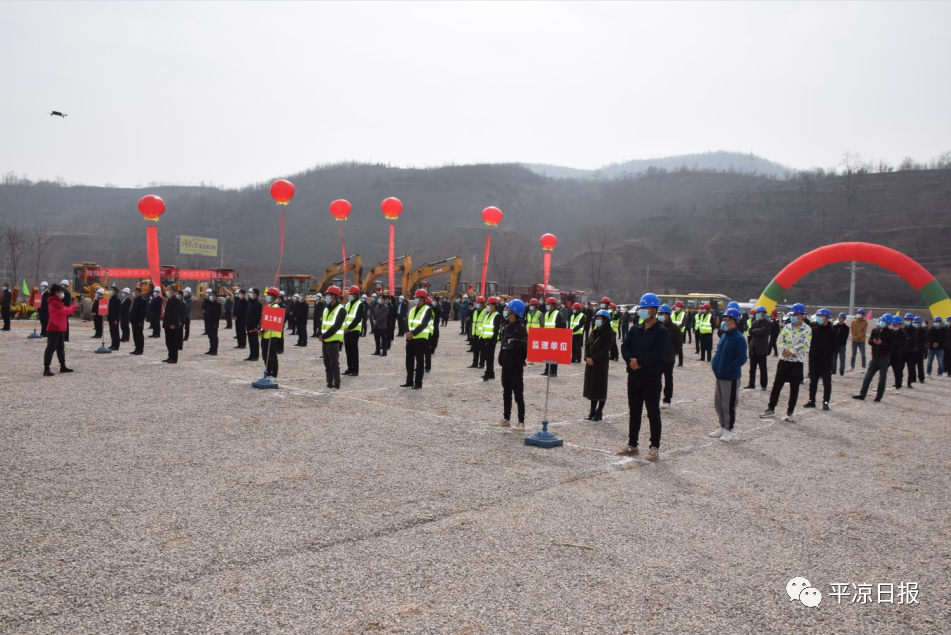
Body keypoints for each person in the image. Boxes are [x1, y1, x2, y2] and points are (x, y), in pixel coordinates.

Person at [616, 293, 669, 461]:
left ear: (653, 310)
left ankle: (654, 447)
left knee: (653, 412)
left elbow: (658, 354)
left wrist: (639, 362)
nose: (642, 312)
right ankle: (632, 444)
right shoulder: (636, 329)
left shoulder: (661, 332)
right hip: (634, 377)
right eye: (641, 309)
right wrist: (630, 360)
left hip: (651, 378)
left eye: (645, 309)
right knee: (634, 411)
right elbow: (625, 346)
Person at [760, 303, 811, 422]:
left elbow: (805, 344)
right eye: (792, 314)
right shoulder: (787, 327)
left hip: (796, 362)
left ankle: (790, 412)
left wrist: (791, 351)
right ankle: (770, 408)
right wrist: (783, 350)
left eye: (795, 314)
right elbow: (779, 339)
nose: (793, 316)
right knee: (777, 385)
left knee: (794, 388)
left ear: (801, 316)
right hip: (784, 361)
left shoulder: (807, 329)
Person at [709, 307, 748, 442]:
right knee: (718, 403)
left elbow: (742, 358)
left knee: (729, 404)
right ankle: (721, 426)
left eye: (727, 320)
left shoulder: (739, 338)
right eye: (723, 319)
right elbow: (718, 352)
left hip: (730, 377)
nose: (724, 322)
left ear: (734, 322)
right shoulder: (724, 335)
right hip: (719, 376)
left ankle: (728, 429)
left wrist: (729, 368)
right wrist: (714, 363)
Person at [498, 299, 528, 428]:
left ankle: (521, 421)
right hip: (505, 363)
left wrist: (520, 360)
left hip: (515, 365)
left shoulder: (521, 328)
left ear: (514, 312)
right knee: (506, 392)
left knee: (518, 394)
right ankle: (506, 418)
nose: (505, 311)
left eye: (507, 309)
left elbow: (524, 348)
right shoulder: (504, 325)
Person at [852, 313, 894, 402]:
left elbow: (891, 347)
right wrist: (873, 342)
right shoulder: (875, 330)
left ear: (888, 323)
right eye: (881, 320)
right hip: (875, 357)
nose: (882, 322)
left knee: (882, 379)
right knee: (867, 377)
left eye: (884, 321)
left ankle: (878, 397)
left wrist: (882, 343)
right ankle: (862, 394)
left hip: (884, 358)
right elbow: (870, 341)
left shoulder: (891, 333)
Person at [583, 309, 612, 421]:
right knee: (592, 388)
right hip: (590, 363)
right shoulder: (593, 331)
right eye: (597, 318)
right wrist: (586, 357)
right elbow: (586, 345)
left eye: (599, 318)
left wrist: (593, 359)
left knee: (600, 387)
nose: (597, 320)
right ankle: (592, 412)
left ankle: (599, 412)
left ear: (605, 320)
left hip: (600, 364)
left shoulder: (609, 333)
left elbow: (605, 350)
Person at [42, 284, 76, 376]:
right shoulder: (54, 302)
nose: (62, 293)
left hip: (59, 327)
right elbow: (64, 311)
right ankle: (46, 368)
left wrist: (71, 306)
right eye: (61, 292)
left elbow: (64, 309)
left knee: (60, 348)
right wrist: (73, 306)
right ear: (56, 292)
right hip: (54, 327)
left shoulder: (58, 301)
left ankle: (63, 366)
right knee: (51, 348)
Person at [401, 289, 432, 390]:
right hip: (410, 339)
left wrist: (412, 333)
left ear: (423, 299)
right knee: (409, 361)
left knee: (419, 362)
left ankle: (418, 383)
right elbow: (407, 321)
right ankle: (409, 381)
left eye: (417, 298)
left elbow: (423, 324)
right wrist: (407, 332)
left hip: (420, 339)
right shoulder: (413, 309)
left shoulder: (427, 309)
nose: (415, 299)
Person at [805, 308, 835, 410]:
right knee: (813, 382)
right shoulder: (813, 330)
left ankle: (826, 402)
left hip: (826, 362)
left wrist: (828, 353)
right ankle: (811, 400)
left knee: (827, 383)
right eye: (818, 316)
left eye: (821, 316)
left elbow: (835, 347)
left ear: (826, 318)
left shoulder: (832, 331)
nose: (819, 318)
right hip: (814, 361)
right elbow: (809, 344)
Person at [318, 286, 346, 389]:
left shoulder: (341, 310)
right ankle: (329, 383)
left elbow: (336, 326)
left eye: (329, 294)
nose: (327, 296)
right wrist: (319, 333)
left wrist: (324, 336)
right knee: (327, 364)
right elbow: (322, 323)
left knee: (334, 364)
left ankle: (336, 384)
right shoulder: (326, 309)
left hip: (334, 340)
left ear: (334, 296)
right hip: (325, 340)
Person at [657, 304, 682, 409]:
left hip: (668, 359)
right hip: (657, 358)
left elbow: (679, 344)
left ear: (668, 315)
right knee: (656, 380)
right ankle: (655, 398)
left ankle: (667, 399)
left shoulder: (674, 328)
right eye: (660, 314)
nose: (661, 316)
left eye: (663, 314)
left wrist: (672, 353)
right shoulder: (657, 326)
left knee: (668, 379)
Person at [745, 306, 771, 391]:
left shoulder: (767, 323)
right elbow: (750, 331)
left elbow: (764, 331)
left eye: (760, 313)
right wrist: (757, 331)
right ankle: (751, 383)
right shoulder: (754, 322)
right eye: (757, 313)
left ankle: (764, 385)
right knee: (752, 368)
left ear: (763, 314)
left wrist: (756, 331)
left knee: (763, 368)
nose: (758, 315)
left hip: (762, 349)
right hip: (753, 348)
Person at [260, 287, 284, 378]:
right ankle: (268, 371)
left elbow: (272, 324)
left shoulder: (276, 307)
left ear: (274, 296)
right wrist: (260, 329)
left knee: (272, 356)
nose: (267, 296)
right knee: (264, 355)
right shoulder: (268, 306)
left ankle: (274, 374)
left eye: (269, 295)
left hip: (272, 335)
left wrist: (263, 330)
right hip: (265, 335)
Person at [342, 286, 365, 377]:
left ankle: (355, 370)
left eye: (351, 294)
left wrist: (350, 328)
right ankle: (349, 368)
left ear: (356, 294)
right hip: (346, 331)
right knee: (348, 350)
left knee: (354, 350)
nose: (350, 296)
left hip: (354, 330)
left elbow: (358, 319)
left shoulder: (360, 304)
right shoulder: (348, 304)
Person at [541, 296, 566, 377]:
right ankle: (547, 370)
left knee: (554, 356)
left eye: (548, 304)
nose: (547, 306)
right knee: (547, 355)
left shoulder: (558, 314)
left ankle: (554, 371)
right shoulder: (546, 314)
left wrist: (558, 337)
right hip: (547, 338)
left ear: (553, 305)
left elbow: (561, 327)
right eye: (547, 304)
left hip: (555, 338)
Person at [480, 296, 502, 381]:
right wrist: (481, 337)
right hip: (484, 339)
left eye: (489, 304)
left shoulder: (497, 316)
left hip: (490, 341)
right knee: (486, 357)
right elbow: (484, 327)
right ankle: (489, 373)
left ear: (494, 305)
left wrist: (492, 340)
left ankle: (489, 374)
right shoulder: (488, 314)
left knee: (489, 358)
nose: (488, 306)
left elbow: (496, 330)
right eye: (487, 304)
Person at [162, 286, 182, 364]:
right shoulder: (169, 299)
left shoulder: (176, 300)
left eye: (168, 290)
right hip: (167, 324)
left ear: (173, 291)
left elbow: (175, 313)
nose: (166, 291)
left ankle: (174, 358)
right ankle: (170, 356)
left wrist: (173, 323)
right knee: (168, 341)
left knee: (173, 342)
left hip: (172, 325)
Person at [888, 314, 908, 391]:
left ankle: (898, 386)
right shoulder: (890, 331)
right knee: (883, 370)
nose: (894, 325)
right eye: (893, 324)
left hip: (897, 354)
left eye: (895, 324)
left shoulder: (903, 333)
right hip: (888, 354)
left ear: (900, 324)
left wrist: (894, 342)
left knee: (897, 371)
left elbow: (903, 344)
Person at [468, 296, 486, 368]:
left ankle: (481, 364)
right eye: (476, 303)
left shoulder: (485, 312)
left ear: (482, 303)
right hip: (475, 334)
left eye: (478, 303)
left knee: (482, 351)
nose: (476, 304)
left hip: (482, 335)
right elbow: (473, 323)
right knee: (475, 350)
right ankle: (474, 364)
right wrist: (471, 333)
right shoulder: (475, 312)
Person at [245, 288, 262, 362]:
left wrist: (256, 326)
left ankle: (255, 356)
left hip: (254, 326)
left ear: (256, 294)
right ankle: (251, 355)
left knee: (254, 341)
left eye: (252, 293)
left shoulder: (258, 304)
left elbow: (258, 316)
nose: (251, 294)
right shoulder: (250, 303)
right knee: (250, 341)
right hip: (249, 325)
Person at [901, 313, 918, 388]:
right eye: (906, 319)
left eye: (909, 320)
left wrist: (905, 340)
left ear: (911, 321)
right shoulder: (902, 329)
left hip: (911, 351)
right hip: (902, 351)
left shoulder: (915, 330)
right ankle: (898, 381)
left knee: (911, 368)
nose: (907, 321)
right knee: (900, 367)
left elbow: (913, 339)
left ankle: (909, 382)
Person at [129, 286, 147, 355]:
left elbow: (142, 312)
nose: (133, 293)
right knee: (135, 335)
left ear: (138, 292)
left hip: (138, 322)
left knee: (139, 335)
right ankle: (136, 348)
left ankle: (140, 350)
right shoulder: (135, 299)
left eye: (134, 291)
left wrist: (140, 321)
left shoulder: (142, 300)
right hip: (134, 321)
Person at [426, 296, 441, 372]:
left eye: (434, 300)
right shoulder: (429, 309)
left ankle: (433, 348)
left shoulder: (438, 309)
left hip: (435, 327)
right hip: (428, 328)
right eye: (432, 300)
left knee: (435, 339)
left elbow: (437, 317)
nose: (433, 301)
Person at [204, 289, 221, 355]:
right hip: (209, 323)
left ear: (215, 296)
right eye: (210, 295)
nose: (210, 296)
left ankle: (214, 350)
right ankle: (211, 349)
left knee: (214, 337)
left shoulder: (217, 305)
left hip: (213, 324)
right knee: (210, 337)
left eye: (212, 295)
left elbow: (217, 316)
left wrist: (215, 324)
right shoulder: (209, 304)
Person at [669, 302, 687, 366]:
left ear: (681, 308)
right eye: (676, 307)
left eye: (678, 307)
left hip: (680, 332)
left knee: (679, 348)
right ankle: (671, 361)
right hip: (671, 332)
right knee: (671, 347)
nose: (676, 308)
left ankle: (680, 362)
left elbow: (683, 323)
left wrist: (676, 329)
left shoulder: (683, 314)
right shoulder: (672, 313)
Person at [107, 285, 121, 350]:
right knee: (112, 332)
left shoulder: (117, 300)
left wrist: (116, 319)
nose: (110, 291)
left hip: (114, 319)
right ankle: (113, 344)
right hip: (110, 318)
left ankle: (116, 346)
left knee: (115, 332)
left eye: (112, 290)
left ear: (115, 291)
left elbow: (117, 311)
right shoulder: (111, 299)